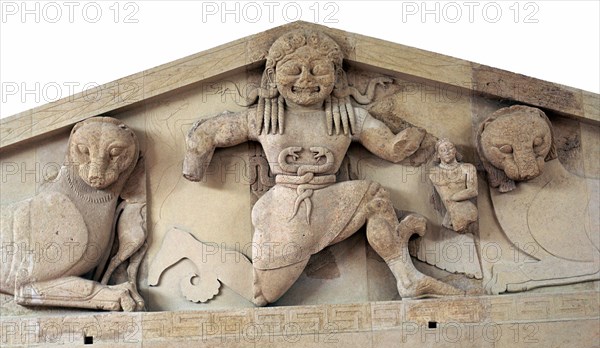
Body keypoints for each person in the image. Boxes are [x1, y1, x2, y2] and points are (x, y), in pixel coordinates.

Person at [184, 29, 462, 305]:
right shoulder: (263, 118)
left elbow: (389, 147)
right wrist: (194, 159)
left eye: (318, 71)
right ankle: (186, 248)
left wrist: (421, 137)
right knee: (261, 294)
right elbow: (213, 132)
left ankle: (408, 278)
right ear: (271, 76)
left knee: (374, 196)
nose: (306, 79)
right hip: (286, 208)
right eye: (294, 69)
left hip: (329, 200)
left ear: (338, 77)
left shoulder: (349, 118)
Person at [429, 139, 478, 233]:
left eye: (450, 148)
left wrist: (454, 197)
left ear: (455, 150)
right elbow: (444, 197)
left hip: (468, 210)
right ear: (438, 155)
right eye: (443, 150)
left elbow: (473, 191)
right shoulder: (434, 172)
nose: (447, 152)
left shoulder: (468, 168)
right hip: (454, 214)